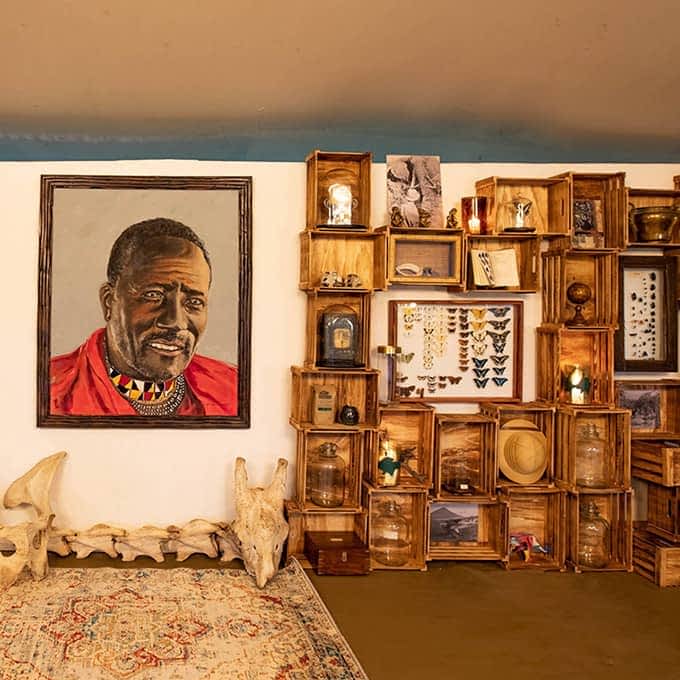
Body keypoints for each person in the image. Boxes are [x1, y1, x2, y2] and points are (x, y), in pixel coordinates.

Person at [50, 218, 238, 416]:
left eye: (193, 302)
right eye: (153, 295)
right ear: (108, 301)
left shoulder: (233, 389)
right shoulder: (49, 391)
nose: (176, 322)